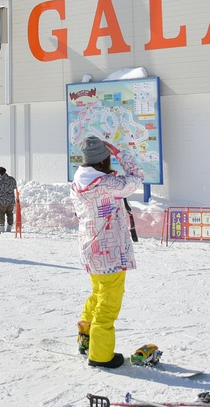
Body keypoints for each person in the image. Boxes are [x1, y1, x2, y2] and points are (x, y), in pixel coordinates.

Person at [71, 135, 144, 369]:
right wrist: (120, 153)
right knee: (108, 303)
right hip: (110, 252)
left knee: (96, 295)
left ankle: (86, 339)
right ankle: (100, 354)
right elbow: (137, 177)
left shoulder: (79, 181)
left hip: (90, 249)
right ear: (104, 160)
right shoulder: (108, 184)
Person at [0, 166, 18, 233]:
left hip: (3, 201)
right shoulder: (12, 179)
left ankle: (1, 227)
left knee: (1, 213)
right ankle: (9, 227)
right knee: (10, 213)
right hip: (11, 201)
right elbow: (14, 187)